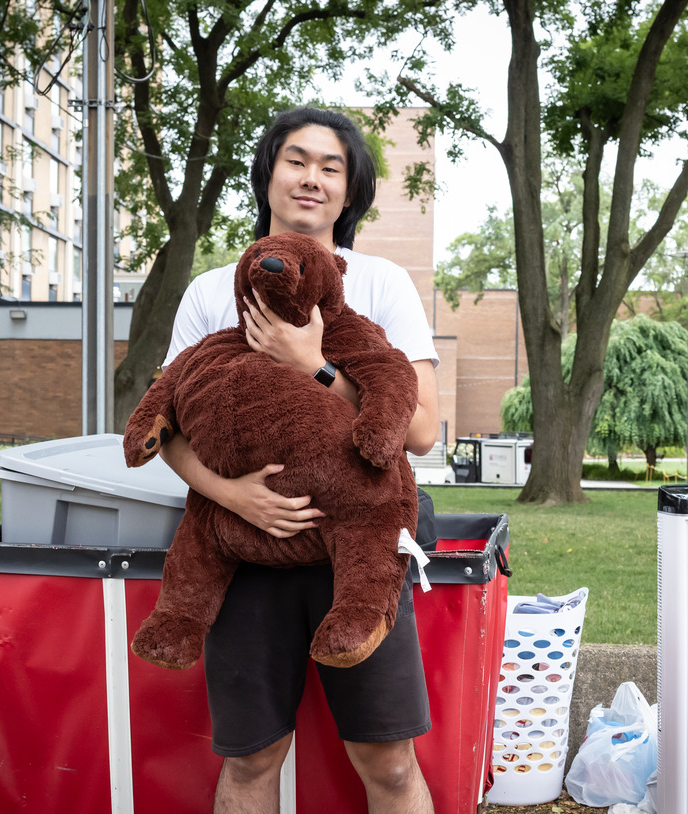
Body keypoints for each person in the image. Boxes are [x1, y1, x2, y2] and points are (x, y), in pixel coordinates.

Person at [158, 107, 441, 814]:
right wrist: (229, 495)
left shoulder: (381, 284)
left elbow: (423, 430)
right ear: (267, 175)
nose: (310, 178)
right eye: (296, 160)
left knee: (389, 761)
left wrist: (313, 363)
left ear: (350, 194)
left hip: (360, 552)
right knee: (251, 759)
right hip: (248, 552)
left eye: (330, 167)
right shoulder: (208, 291)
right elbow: (165, 427)